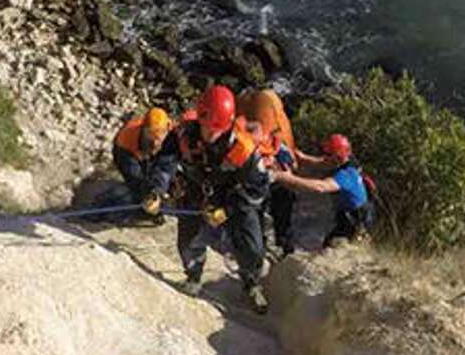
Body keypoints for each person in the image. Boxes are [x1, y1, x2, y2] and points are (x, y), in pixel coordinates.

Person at [145, 84, 273, 312]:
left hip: (234, 196)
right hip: (196, 190)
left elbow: (257, 189)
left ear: (228, 125)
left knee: (251, 244)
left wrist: (228, 209)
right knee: (188, 239)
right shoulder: (183, 135)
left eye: (217, 130)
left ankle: (251, 282)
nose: (210, 135)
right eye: (206, 128)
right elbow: (165, 164)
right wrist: (156, 190)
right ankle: (194, 276)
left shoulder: (244, 148)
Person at [240, 88, 313, 257]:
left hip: (270, 182)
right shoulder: (275, 141)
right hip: (273, 181)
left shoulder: (262, 143)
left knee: (269, 213)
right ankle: (280, 247)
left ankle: (273, 246)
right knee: (278, 215)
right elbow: (290, 160)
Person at [269, 134, 374, 248]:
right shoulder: (347, 160)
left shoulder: (346, 175)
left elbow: (320, 187)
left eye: (328, 154)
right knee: (330, 243)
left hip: (355, 219)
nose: (324, 157)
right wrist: (304, 158)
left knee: (336, 247)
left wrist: (286, 178)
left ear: (336, 156)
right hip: (354, 213)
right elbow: (323, 162)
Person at [110, 106, 174, 216]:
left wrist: (157, 191)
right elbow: (134, 176)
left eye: (160, 134)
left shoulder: (172, 134)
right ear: (144, 130)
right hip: (127, 152)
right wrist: (149, 195)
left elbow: (165, 166)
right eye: (151, 135)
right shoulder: (126, 140)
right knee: (138, 186)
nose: (155, 142)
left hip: (147, 153)